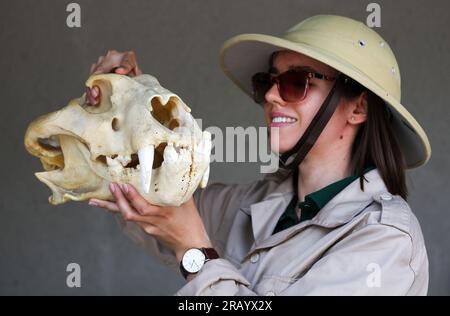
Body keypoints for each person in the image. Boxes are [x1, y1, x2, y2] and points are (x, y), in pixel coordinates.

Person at [87, 15, 431, 295]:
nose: (270, 95)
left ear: (358, 107)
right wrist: (126, 98)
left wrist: (196, 251)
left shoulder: (385, 239)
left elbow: (185, 231)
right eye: (267, 80)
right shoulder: (252, 204)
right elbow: (148, 191)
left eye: (297, 82)